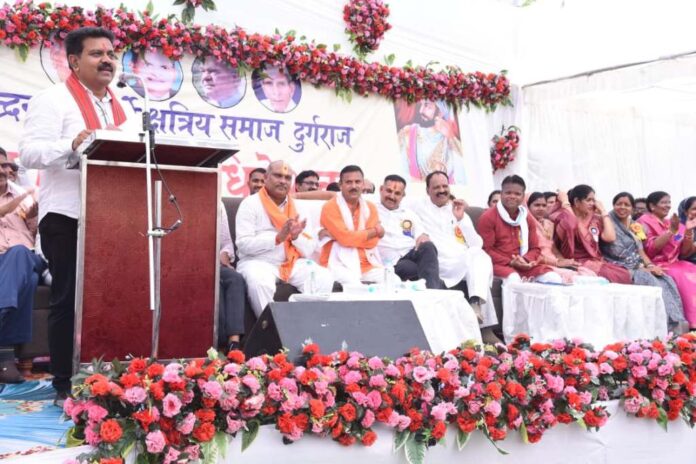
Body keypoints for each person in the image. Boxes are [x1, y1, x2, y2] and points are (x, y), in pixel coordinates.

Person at [19, 27, 133, 405]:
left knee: (112, 298)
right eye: (97, 54)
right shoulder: (53, 99)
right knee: (68, 300)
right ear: (73, 61)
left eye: (111, 54)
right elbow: (30, 153)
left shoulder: (123, 106)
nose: (107, 60)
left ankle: (106, 375)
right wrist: (70, 144)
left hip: (113, 217)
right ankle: (64, 383)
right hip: (67, 215)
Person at [409, 171, 498, 341]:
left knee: (479, 255)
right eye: (436, 187)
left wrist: (462, 219)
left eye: (445, 186)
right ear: (427, 190)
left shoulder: (457, 209)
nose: (442, 190)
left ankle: (475, 303)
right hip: (440, 262)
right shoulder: (417, 206)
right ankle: (485, 331)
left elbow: (476, 243)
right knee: (477, 268)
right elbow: (392, 203)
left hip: (461, 261)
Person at [236, 161, 334, 316]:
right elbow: (243, 244)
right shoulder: (250, 204)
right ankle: (273, 328)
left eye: (287, 178)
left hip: (292, 262)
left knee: (323, 277)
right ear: (266, 178)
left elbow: (309, 249)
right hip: (258, 262)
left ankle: (305, 324)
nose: (283, 181)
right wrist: (276, 238)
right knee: (260, 283)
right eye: (278, 176)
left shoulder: (299, 207)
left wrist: (295, 237)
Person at [600, 192, 686, 331]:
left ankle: (676, 322)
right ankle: (664, 325)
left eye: (627, 205)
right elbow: (615, 250)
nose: (622, 207)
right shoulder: (607, 222)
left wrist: (651, 265)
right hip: (617, 264)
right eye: (619, 204)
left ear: (632, 208)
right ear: (613, 205)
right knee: (649, 279)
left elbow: (641, 251)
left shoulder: (635, 225)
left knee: (666, 279)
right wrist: (641, 267)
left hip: (638, 264)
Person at [0, 170, 45, 383]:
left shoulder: (24, 196)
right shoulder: (20, 196)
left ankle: (2, 312)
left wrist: (35, 215)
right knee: (30, 281)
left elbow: (37, 235)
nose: (3, 171)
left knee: (19, 252)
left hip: (27, 255)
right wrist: (18, 200)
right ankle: (6, 357)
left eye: (5, 166)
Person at [478, 176, 561, 283]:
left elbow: (535, 248)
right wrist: (511, 262)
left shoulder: (526, 217)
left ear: (523, 197)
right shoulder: (488, 217)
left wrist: (525, 260)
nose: (512, 196)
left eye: (517, 194)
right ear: (501, 194)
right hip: (499, 265)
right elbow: (486, 250)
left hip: (524, 264)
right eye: (508, 193)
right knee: (514, 279)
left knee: (553, 277)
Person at [549, 185, 631, 284]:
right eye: (588, 200)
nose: (592, 203)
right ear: (576, 202)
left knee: (625, 274)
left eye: (593, 200)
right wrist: (565, 204)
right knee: (616, 276)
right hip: (574, 261)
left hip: (595, 260)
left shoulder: (594, 219)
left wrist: (603, 211)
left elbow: (610, 237)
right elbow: (571, 224)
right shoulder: (562, 218)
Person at [638, 191, 696, 328]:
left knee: (692, 269)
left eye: (669, 202)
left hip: (676, 262)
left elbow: (683, 252)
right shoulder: (643, 221)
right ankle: (692, 322)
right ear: (652, 206)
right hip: (656, 263)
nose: (668, 205)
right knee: (684, 276)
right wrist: (670, 231)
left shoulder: (673, 222)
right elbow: (650, 250)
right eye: (663, 202)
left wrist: (688, 231)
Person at [376, 174, 444, 289]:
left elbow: (422, 236)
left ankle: (432, 292)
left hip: (409, 253)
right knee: (414, 268)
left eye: (397, 193)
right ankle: (434, 288)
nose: (392, 196)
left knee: (428, 247)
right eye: (389, 191)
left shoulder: (410, 214)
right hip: (389, 262)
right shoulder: (371, 211)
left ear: (403, 195)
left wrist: (424, 238)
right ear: (381, 189)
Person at [320, 165, 385, 285]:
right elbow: (346, 239)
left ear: (363, 184)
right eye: (349, 182)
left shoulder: (370, 207)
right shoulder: (330, 207)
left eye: (357, 182)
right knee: (354, 284)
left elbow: (373, 242)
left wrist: (349, 237)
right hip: (337, 262)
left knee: (391, 279)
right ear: (340, 185)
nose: (354, 186)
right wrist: (374, 232)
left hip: (366, 263)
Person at [527, 192, 596, 283]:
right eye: (537, 205)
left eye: (544, 205)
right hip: (537, 264)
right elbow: (531, 253)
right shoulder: (525, 225)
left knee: (586, 273)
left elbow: (553, 249)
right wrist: (556, 262)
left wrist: (565, 261)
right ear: (528, 207)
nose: (541, 208)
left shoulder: (548, 224)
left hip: (554, 262)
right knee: (562, 279)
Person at [397, 100, 465, 184]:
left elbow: (462, 176)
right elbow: (400, 172)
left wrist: (450, 137)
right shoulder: (408, 133)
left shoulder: (449, 140)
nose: (421, 111)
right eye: (421, 105)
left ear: (440, 112)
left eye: (427, 106)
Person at [218, 203, 246, 352]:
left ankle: (234, 343)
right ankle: (217, 344)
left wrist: (224, 254)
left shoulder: (218, 204)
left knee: (235, 278)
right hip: (183, 265)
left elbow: (226, 243)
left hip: (215, 263)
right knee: (215, 284)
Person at [678, 196, 696, 265]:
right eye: (694, 209)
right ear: (685, 212)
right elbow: (683, 255)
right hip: (689, 265)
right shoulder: (678, 230)